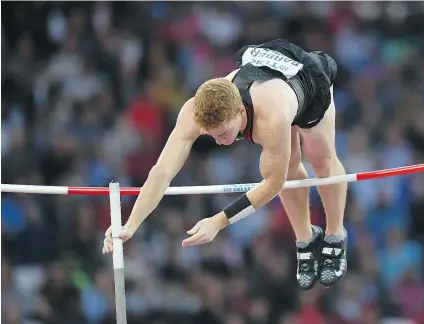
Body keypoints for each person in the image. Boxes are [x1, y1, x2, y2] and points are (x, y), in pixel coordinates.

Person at [102, 39, 348, 290]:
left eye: (223, 133)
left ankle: (335, 235)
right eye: (211, 134)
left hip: (305, 82)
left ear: (240, 112)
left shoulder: (271, 118)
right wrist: (130, 224)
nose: (219, 142)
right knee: (291, 164)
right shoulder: (192, 111)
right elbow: (162, 171)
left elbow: (274, 184)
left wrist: (219, 221)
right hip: (263, 71)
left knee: (321, 160)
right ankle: (306, 240)